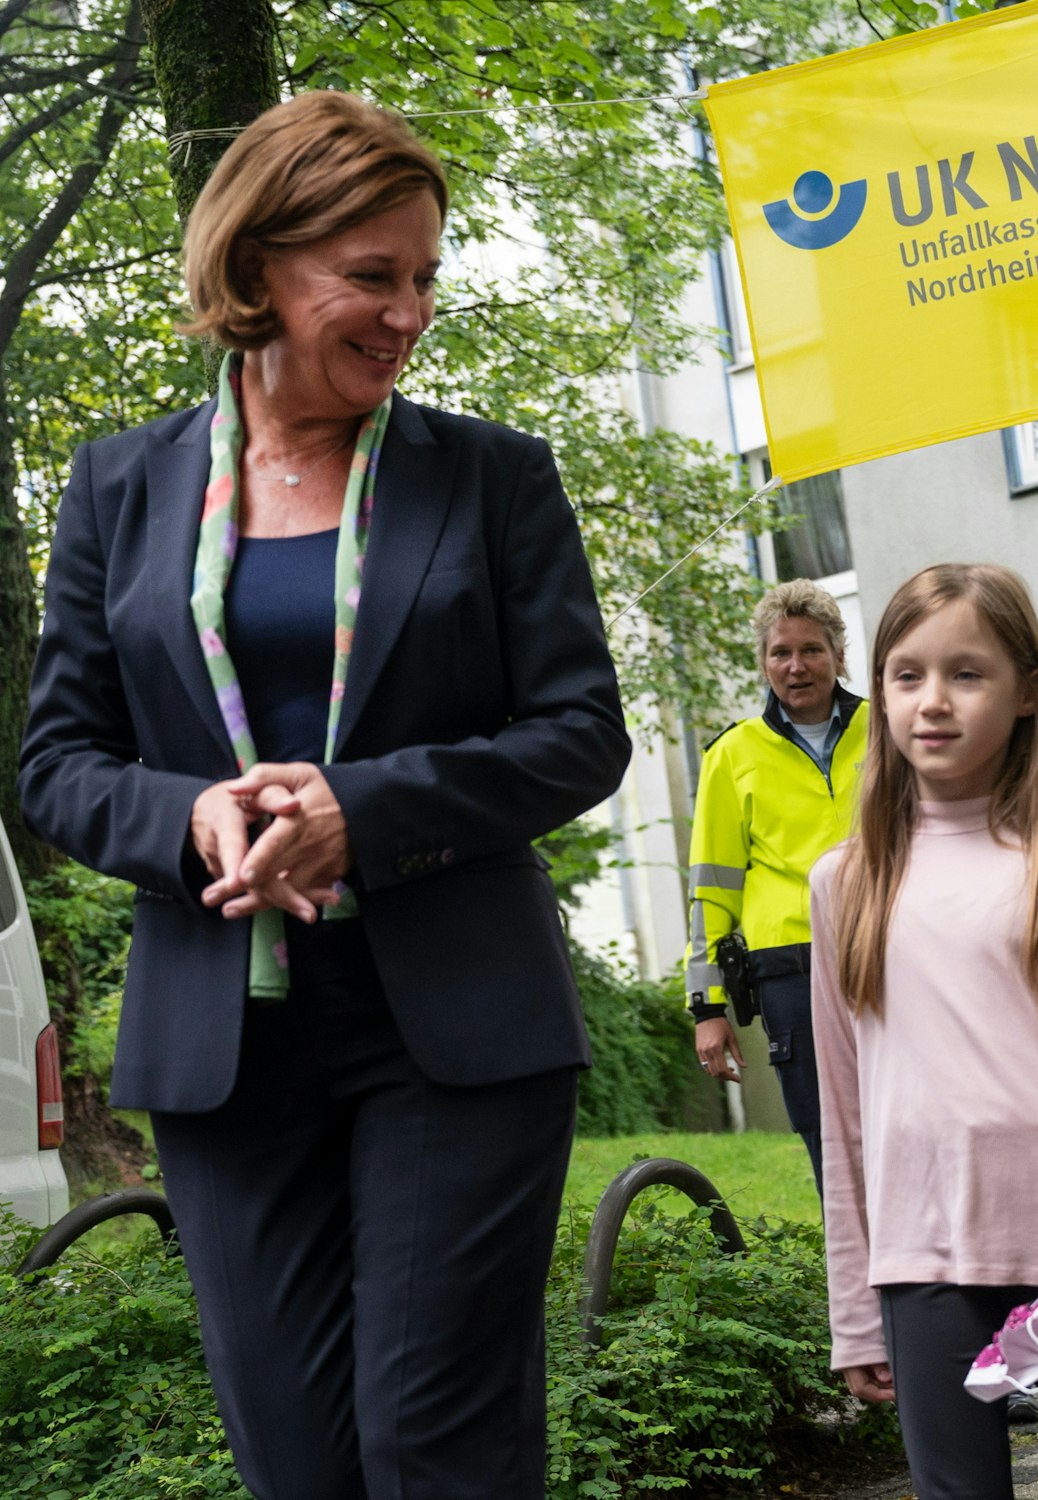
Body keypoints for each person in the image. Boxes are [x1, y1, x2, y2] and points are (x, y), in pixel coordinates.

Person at [17, 93, 630, 1499]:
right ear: (257, 269)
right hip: (226, 1039)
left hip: (457, 1027)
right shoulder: (118, 490)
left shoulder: (492, 479)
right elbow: (57, 763)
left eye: (424, 278)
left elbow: (581, 734)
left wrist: (370, 806)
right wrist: (187, 816)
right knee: (295, 1464)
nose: (408, 312)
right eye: (372, 275)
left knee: (435, 1448)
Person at [810, 563, 1038, 1499]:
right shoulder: (844, 884)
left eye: (967, 674)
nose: (933, 701)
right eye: (907, 674)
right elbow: (842, 1111)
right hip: (921, 1263)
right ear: (878, 689)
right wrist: (856, 1311)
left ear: (1026, 694)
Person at [685, 579, 867, 1192]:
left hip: (892, 955)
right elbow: (711, 891)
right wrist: (707, 1008)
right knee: (827, 1135)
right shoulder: (731, 756)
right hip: (791, 971)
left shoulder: (889, 731)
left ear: (839, 655)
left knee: (918, 1119)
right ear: (764, 662)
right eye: (780, 652)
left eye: (812, 650)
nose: (796, 666)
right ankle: (857, 1280)